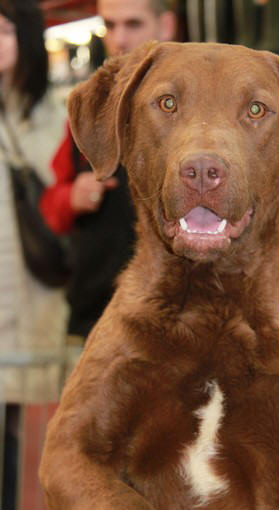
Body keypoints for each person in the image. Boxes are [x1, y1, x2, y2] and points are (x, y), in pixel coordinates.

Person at [40, 0, 177, 340]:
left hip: (176, 318)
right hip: (98, 316)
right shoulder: (90, 109)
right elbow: (51, 207)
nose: (119, 39)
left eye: (133, 24)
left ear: (166, 26)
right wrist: (72, 197)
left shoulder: (196, 110)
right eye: (110, 26)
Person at [0, 0, 68, 510]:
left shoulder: (52, 111)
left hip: (32, 293)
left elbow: (60, 192)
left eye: (1, 32)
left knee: (19, 425)